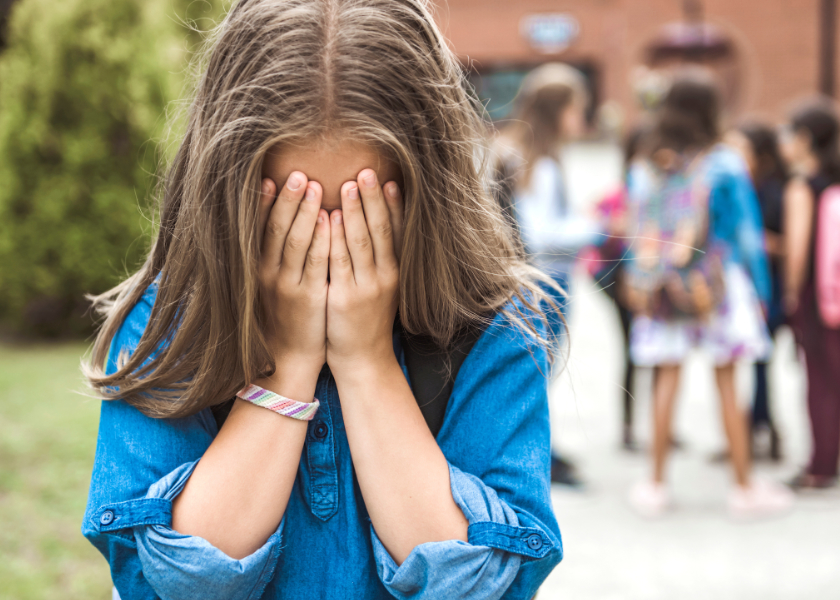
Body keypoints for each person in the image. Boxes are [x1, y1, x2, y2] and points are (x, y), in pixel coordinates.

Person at [80, 1, 564, 598]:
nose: (328, 250)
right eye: (294, 217)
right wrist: (288, 365)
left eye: (363, 217)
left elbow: (482, 584)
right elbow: (179, 582)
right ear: (225, 190)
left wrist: (367, 363)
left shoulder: (496, 326)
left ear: (428, 190)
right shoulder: (170, 322)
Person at [624, 71, 793, 519]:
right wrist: (762, 289)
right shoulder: (724, 162)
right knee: (726, 381)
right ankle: (743, 488)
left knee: (664, 378)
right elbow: (746, 233)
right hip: (716, 285)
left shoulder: (645, 163)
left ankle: (655, 485)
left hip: (665, 284)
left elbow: (637, 231)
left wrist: (639, 280)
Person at [494, 63, 599, 486]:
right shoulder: (537, 162)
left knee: (532, 375)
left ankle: (541, 452)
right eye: (577, 109)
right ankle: (534, 458)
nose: (582, 119)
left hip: (529, 281)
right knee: (537, 375)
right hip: (546, 281)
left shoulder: (515, 151)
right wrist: (596, 224)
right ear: (557, 111)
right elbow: (541, 234)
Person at [780, 98, 840, 490]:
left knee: (820, 382)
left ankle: (820, 467)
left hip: (818, 298)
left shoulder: (804, 187)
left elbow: (798, 250)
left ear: (804, 139)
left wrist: (789, 293)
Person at [725, 122, 789, 461]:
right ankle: (750, 430)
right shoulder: (738, 185)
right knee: (749, 363)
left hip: (772, 287)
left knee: (762, 363)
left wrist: (755, 240)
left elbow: (789, 242)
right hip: (746, 285)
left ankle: (761, 430)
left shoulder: (775, 189)